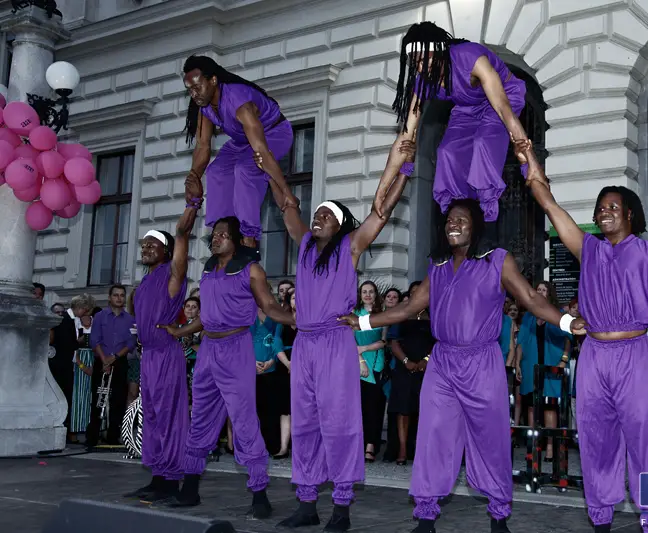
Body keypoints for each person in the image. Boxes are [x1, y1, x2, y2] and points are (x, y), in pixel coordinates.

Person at [340, 199, 585, 533]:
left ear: (477, 225)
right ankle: (426, 515)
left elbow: (529, 297)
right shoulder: (437, 265)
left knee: (490, 438)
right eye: (449, 220)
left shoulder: (497, 260)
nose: (452, 224)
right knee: (434, 436)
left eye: (461, 220)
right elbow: (409, 307)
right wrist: (365, 322)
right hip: (442, 363)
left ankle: (499, 514)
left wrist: (568, 322)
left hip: (482, 361)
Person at [514, 139, 648, 533]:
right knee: (597, 442)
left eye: (613, 207)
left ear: (630, 214)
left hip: (634, 352)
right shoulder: (588, 249)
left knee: (647, 442)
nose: (605, 213)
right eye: (600, 208)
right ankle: (600, 518)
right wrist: (528, 158)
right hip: (594, 355)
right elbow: (547, 203)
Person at [265, 140, 415, 531]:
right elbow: (286, 204)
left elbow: (381, 211)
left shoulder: (350, 246)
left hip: (334, 342)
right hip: (305, 345)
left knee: (339, 423)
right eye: (316, 214)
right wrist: (267, 164)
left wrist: (405, 167)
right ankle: (307, 502)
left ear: (340, 224)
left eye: (326, 215)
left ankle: (342, 508)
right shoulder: (303, 248)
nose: (317, 218)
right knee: (306, 422)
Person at [160, 216, 295, 520]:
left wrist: (296, 318)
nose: (216, 238)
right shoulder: (207, 270)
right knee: (201, 420)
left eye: (223, 234)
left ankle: (260, 495)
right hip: (209, 349)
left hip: (236, 349)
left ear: (236, 240)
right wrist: (178, 331)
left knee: (244, 421)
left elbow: (270, 307)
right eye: (215, 234)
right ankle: (190, 489)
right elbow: (206, 316)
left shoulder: (251, 270)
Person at [373, 21, 529, 223]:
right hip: (467, 108)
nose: (421, 68)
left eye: (425, 59)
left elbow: (502, 108)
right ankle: (462, 213)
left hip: (504, 96)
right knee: (446, 152)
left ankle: (486, 217)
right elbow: (405, 135)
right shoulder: (423, 82)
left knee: (483, 142)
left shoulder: (470, 57)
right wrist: (381, 190)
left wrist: (529, 161)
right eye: (415, 62)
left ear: (439, 51)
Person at [182, 54, 295, 258]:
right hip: (242, 142)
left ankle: (249, 239)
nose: (194, 94)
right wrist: (193, 177)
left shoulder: (240, 103)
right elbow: (202, 145)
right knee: (216, 171)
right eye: (189, 90)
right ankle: (223, 232)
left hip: (275, 133)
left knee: (245, 169)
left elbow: (261, 150)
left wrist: (286, 191)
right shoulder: (204, 107)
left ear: (213, 80)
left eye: (197, 87)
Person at [123, 204, 199, 502]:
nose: (147, 247)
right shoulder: (143, 284)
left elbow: (182, 235)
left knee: (169, 417)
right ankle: (157, 477)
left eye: (153, 244)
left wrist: (191, 206)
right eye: (144, 244)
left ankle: (170, 481)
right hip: (148, 356)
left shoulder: (173, 274)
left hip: (167, 354)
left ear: (167, 252)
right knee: (152, 416)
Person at [86, 284, 136, 448]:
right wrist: (104, 360)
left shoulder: (130, 319)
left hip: (119, 361)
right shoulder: (100, 316)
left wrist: (114, 358)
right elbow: (94, 339)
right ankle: (92, 437)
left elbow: (130, 343)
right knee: (98, 399)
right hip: (101, 359)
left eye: (122, 295)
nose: (119, 298)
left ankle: (113, 436)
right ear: (110, 297)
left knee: (119, 399)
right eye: (116, 295)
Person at [50, 294, 95, 445]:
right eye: (86, 310)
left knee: (67, 398)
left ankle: (65, 430)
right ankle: (62, 430)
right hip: (61, 366)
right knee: (63, 398)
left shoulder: (70, 320)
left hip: (66, 365)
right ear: (81, 307)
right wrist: (79, 342)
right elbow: (65, 344)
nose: (86, 313)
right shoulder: (64, 319)